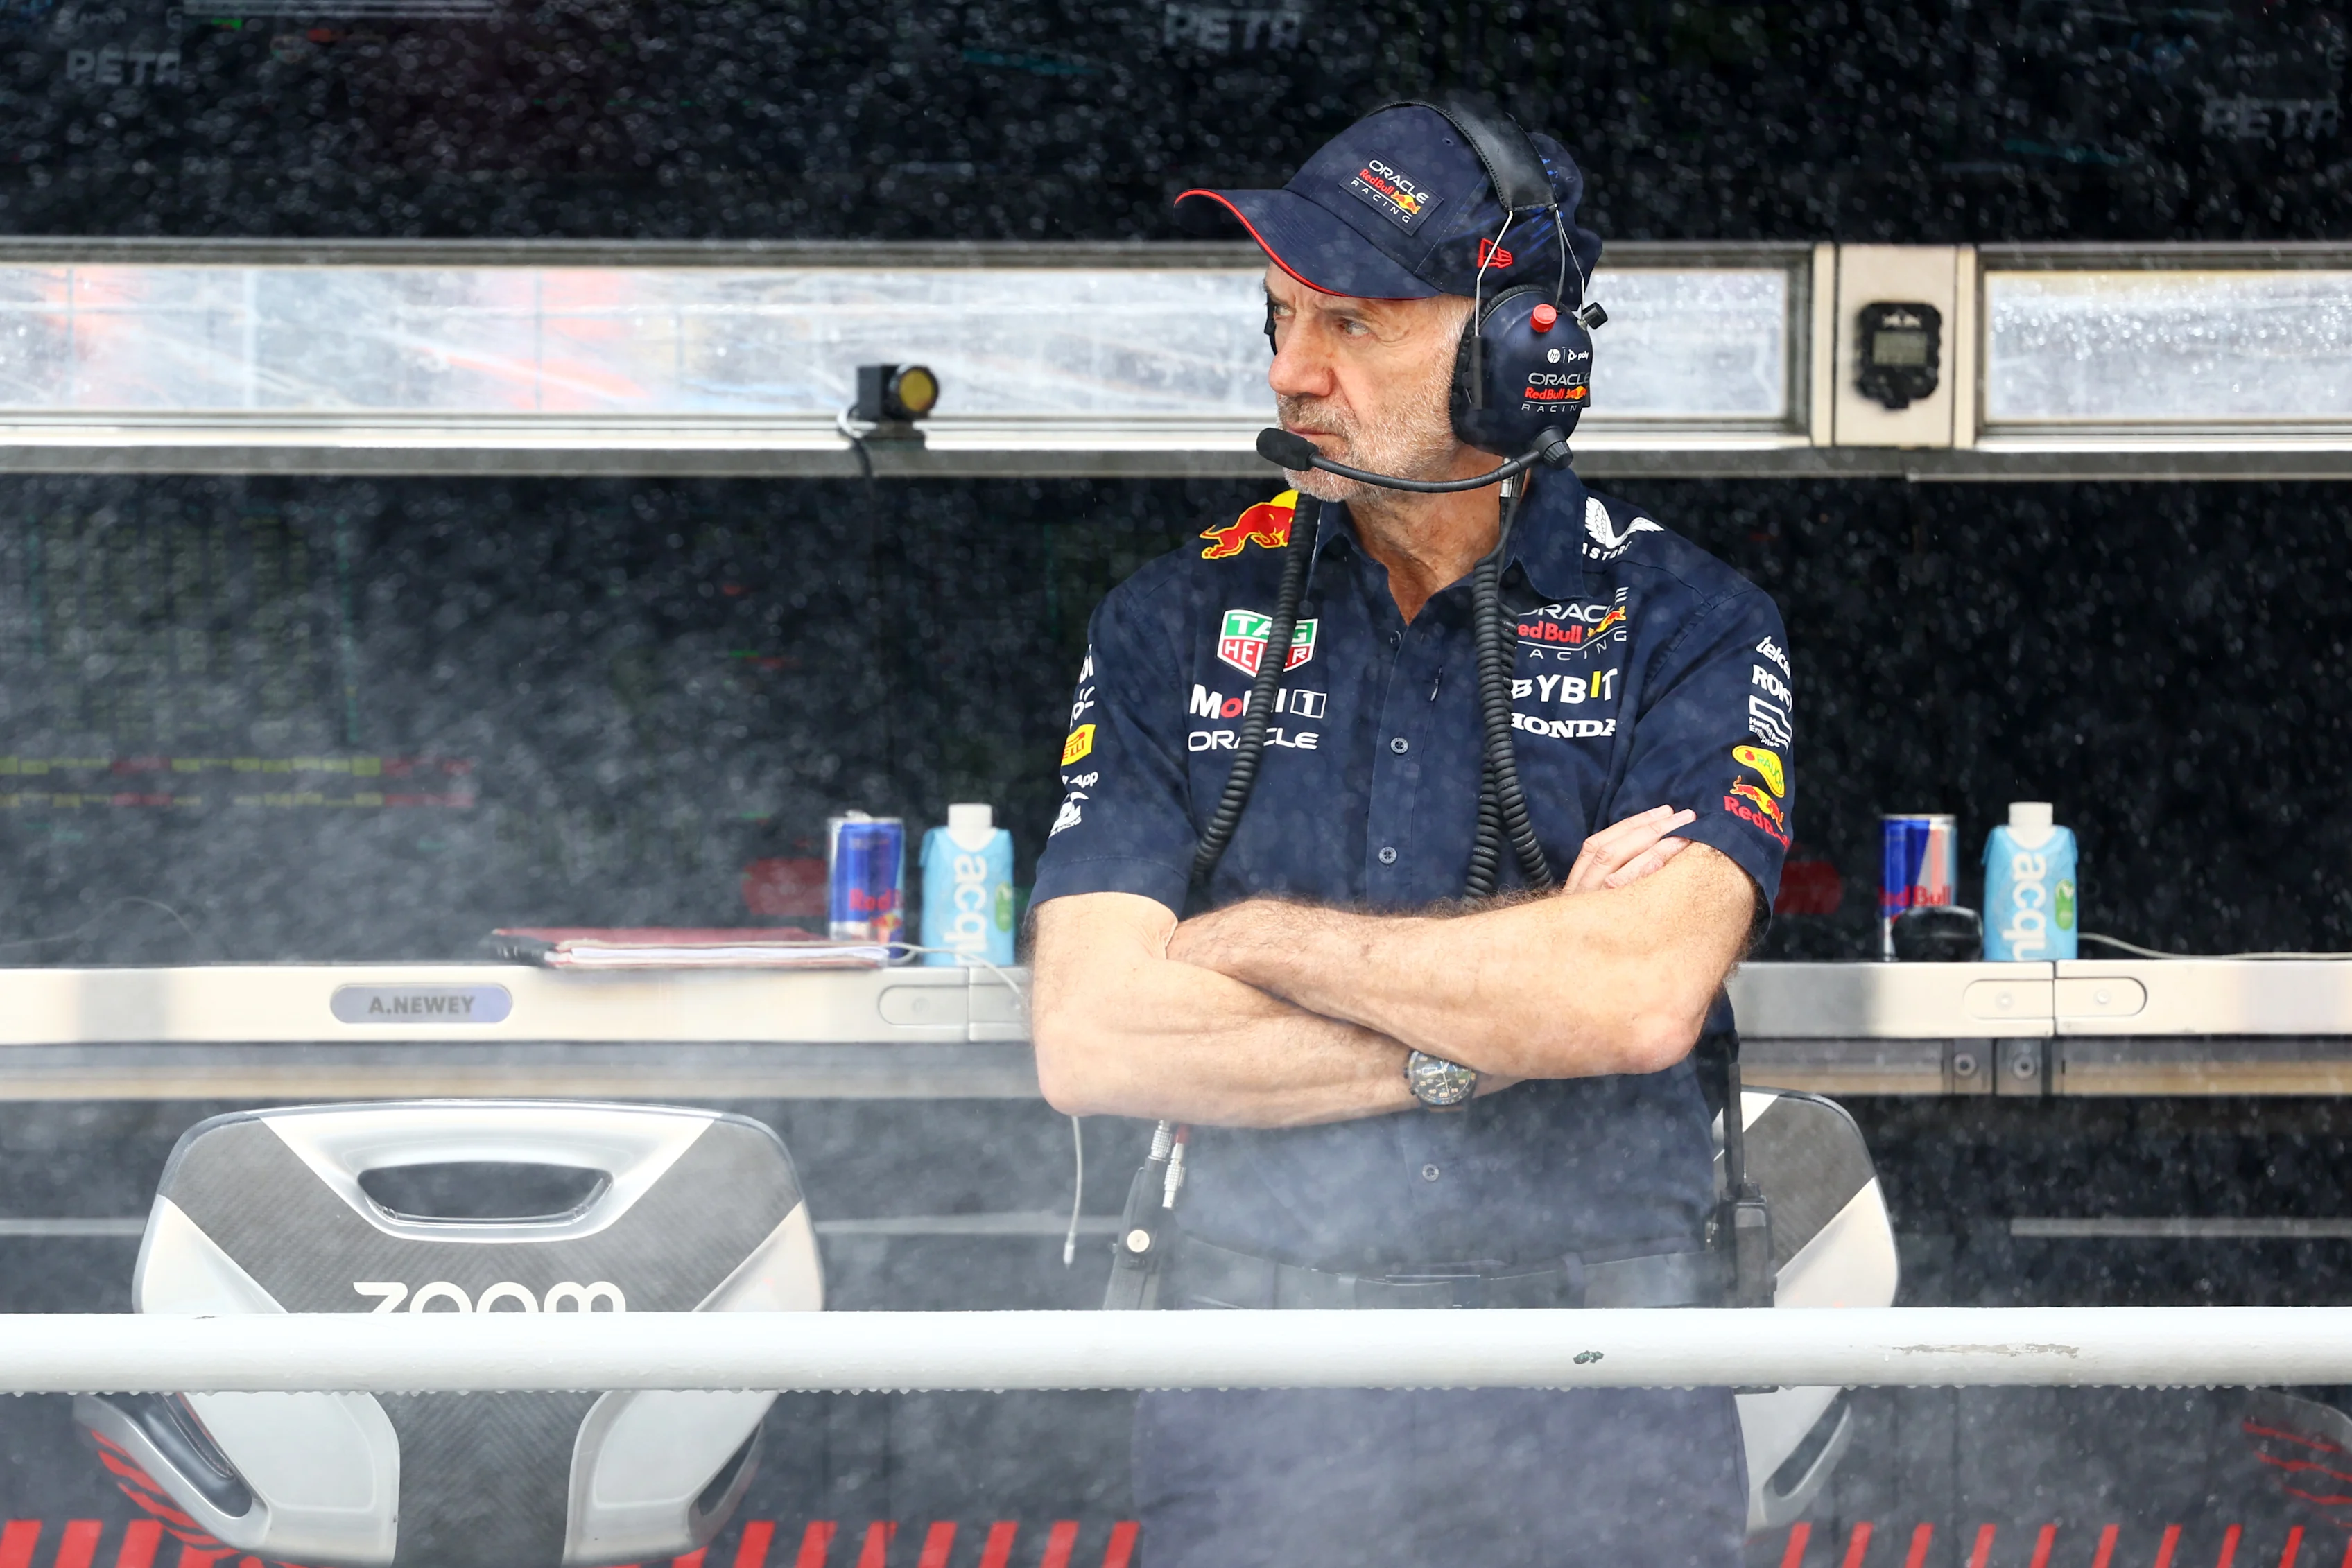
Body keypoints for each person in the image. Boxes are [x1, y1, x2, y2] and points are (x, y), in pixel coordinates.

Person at [1027, 99, 1794, 1568]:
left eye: (1354, 324)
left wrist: (1249, 942)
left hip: (1597, 1390)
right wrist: (1500, 1020)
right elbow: (1098, 1041)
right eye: (1277, 318)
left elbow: (1635, 1001)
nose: (1289, 373)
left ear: (1527, 351)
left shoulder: (1685, 623)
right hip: (1262, 1391)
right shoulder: (1170, 621)